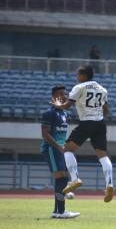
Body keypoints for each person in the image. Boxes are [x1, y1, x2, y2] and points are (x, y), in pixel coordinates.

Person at [51, 65, 113, 203]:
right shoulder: (102, 89)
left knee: (68, 149)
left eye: (78, 74)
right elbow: (106, 110)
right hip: (100, 124)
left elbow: (67, 105)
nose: (76, 77)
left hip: (86, 123)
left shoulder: (79, 87)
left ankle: (75, 179)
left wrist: (57, 105)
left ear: (84, 75)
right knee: (103, 154)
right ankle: (109, 183)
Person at [41, 85, 79, 219]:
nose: (64, 96)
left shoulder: (64, 113)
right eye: (61, 94)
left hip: (60, 149)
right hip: (52, 149)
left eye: (65, 94)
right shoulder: (49, 113)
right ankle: (61, 211)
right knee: (61, 178)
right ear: (53, 97)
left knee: (63, 178)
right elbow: (45, 134)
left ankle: (57, 211)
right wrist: (58, 147)